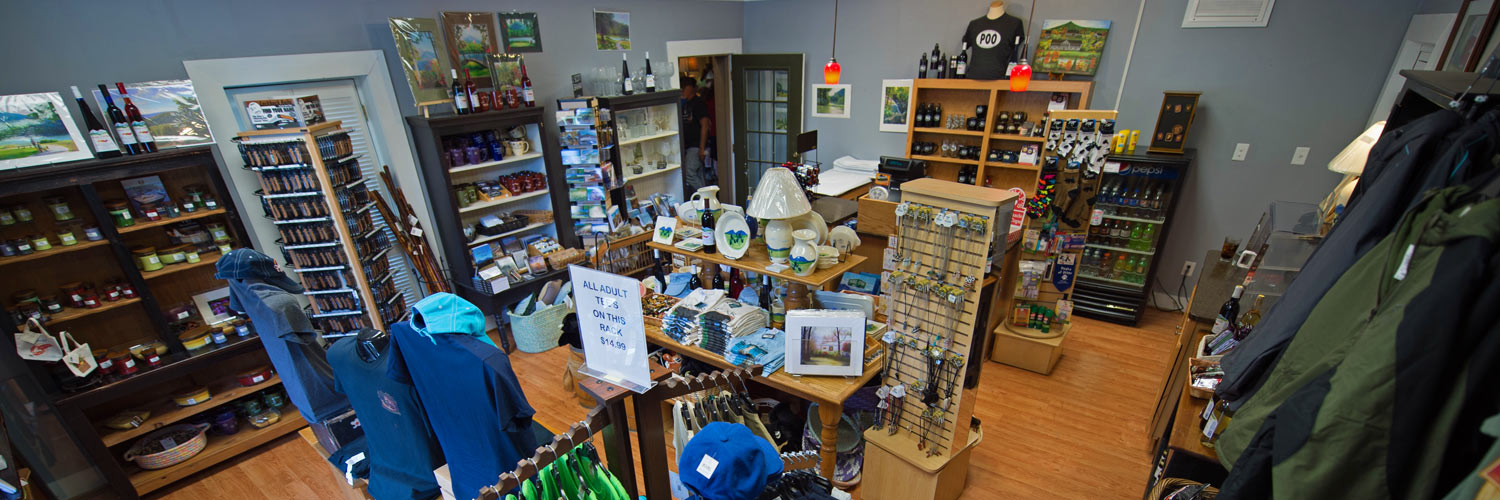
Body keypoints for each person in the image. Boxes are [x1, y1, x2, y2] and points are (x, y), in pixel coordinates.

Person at [681, 76, 712, 193]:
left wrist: (702, 148)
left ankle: (706, 197)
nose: (683, 89)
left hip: (696, 145)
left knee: (689, 174)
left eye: (686, 86)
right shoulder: (684, 104)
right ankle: (706, 203)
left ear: (693, 88)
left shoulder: (698, 103)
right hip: (688, 146)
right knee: (698, 174)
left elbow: (705, 124)